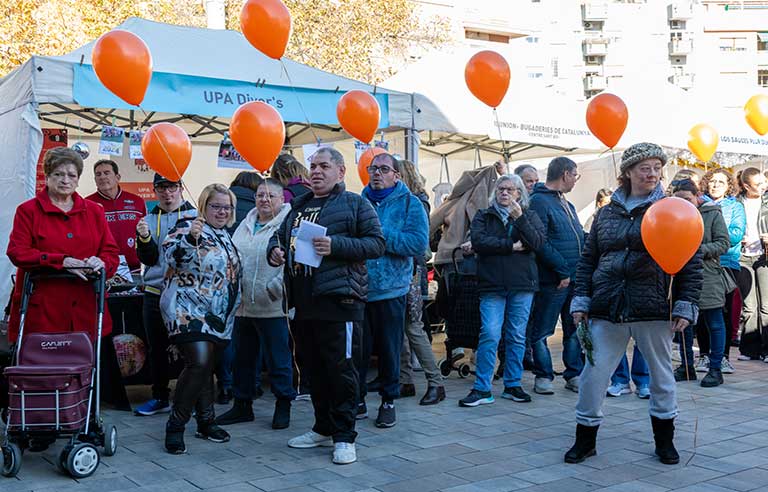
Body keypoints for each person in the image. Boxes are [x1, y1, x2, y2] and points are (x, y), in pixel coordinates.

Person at [565, 142, 702, 466]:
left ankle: (664, 442)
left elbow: (690, 263)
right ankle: (585, 440)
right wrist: (581, 298)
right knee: (593, 376)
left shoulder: (672, 208)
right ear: (627, 172)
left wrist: (685, 303)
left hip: (653, 307)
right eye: (645, 168)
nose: (652, 173)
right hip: (607, 307)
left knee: (661, 376)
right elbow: (589, 260)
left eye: (657, 167)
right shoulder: (606, 213)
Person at [268, 147, 384, 465]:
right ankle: (322, 429)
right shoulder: (298, 206)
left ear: (340, 171)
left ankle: (345, 437)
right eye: (313, 166)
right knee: (314, 371)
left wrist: (336, 246)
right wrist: (275, 251)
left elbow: (376, 243)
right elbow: (278, 238)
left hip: (340, 301)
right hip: (303, 303)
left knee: (341, 371)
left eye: (323, 166)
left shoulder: (355, 203)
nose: (316, 172)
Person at [7, 148, 125, 423]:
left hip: (84, 307)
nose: (65, 180)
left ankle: (83, 418)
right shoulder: (28, 211)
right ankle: (39, 420)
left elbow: (110, 252)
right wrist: (62, 261)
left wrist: (100, 263)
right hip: (43, 308)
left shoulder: (94, 212)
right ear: (47, 177)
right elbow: (18, 252)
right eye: (58, 174)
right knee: (44, 369)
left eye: (72, 174)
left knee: (84, 368)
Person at [162, 184, 242, 454]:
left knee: (206, 366)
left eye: (227, 207)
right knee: (199, 362)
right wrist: (190, 240)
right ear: (204, 205)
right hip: (186, 309)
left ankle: (206, 422)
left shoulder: (226, 235)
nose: (222, 211)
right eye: (216, 206)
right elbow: (171, 257)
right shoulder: (187, 226)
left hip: (218, 315)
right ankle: (176, 426)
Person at [216, 178, 296, 429]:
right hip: (243, 307)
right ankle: (242, 405)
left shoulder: (288, 223)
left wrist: (274, 290)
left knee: (278, 360)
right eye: (260, 195)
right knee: (243, 360)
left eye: (270, 196)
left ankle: (284, 403)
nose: (264, 200)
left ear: (282, 199)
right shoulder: (244, 224)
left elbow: (291, 263)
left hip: (273, 307)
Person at [459, 174, 545, 406]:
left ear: (519, 194)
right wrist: (511, 246)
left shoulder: (529, 215)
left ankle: (512, 384)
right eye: (500, 189)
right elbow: (479, 242)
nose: (504, 193)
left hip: (522, 284)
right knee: (490, 333)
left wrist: (520, 220)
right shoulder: (484, 216)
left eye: (510, 189)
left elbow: (537, 243)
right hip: (492, 285)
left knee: (516, 336)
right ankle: (482, 388)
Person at [358, 153, 428, 427]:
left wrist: (380, 235)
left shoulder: (411, 204)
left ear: (396, 175)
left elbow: (418, 245)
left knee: (389, 351)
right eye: (372, 168)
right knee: (358, 350)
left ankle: (388, 401)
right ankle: (358, 399)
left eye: (383, 169)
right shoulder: (358, 202)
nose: (376, 173)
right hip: (359, 289)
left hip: (391, 290)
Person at [134, 174, 197, 416]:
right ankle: (160, 396)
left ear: (180, 187)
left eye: (171, 187)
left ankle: (191, 398)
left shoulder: (195, 217)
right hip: (154, 292)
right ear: (154, 190)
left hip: (185, 293)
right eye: (161, 188)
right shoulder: (146, 219)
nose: (167, 193)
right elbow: (148, 259)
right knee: (156, 348)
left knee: (190, 349)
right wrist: (144, 238)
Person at [528, 157, 584, 395]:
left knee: (573, 329)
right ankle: (543, 376)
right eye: (575, 175)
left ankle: (573, 374)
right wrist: (561, 270)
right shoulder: (539, 202)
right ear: (564, 174)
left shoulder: (567, 204)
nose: (575, 180)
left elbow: (578, 236)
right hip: (553, 279)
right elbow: (540, 243)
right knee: (542, 330)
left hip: (574, 278)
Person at [671, 179, 730, 387]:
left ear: (697, 197)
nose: (684, 204)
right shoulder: (671, 213)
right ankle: (687, 366)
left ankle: (715, 368)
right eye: (679, 200)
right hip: (680, 274)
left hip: (708, 274)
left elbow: (724, 243)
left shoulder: (712, 213)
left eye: (687, 199)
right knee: (683, 322)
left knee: (714, 322)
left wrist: (697, 250)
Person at [397, 159, 446, 405]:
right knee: (402, 329)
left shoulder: (415, 202)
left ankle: (435, 382)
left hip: (410, 273)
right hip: (401, 274)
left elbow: (420, 247)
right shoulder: (395, 201)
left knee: (413, 328)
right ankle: (405, 380)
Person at [216, 170, 263, 405]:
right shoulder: (257, 210)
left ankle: (226, 385)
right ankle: (253, 383)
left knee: (227, 334)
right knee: (254, 333)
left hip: (225, 278)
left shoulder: (222, 202)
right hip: (253, 279)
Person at [697, 169, 745, 374]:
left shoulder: (734, 206)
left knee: (723, 313)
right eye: (712, 181)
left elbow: (735, 233)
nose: (715, 185)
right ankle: (704, 355)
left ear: (729, 186)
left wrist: (716, 227)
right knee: (701, 313)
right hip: (700, 264)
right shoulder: (698, 204)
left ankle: (722, 357)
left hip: (726, 262)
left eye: (721, 182)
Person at [86, 159, 147, 271]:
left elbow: (146, 234)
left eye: (107, 173)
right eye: (98, 174)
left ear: (117, 177)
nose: (102, 177)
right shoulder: (87, 204)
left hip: (134, 268)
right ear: (95, 180)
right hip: (102, 268)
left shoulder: (137, 201)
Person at [736, 167, 768, 361]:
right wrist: (737, 239)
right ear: (746, 186)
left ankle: (767, 349)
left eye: (764, 182)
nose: (763, 187)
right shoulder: (737, 203)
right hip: (743, 257)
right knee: (749, 306)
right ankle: (749, 349)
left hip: (764, 256)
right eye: (758, 184)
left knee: (766, 306)